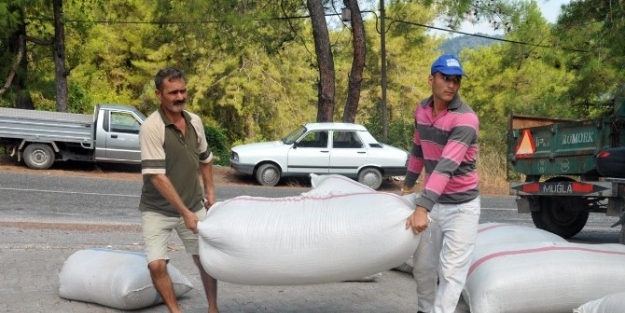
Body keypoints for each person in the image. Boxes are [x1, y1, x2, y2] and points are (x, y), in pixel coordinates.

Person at [403, 54, 480, 313]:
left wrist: (422, 207)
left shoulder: (466, 119)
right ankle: (425, 310)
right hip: (433, 203)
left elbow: (446, 166)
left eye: (456, 80)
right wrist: (407, 185)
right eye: (445, 78)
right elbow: (418, 149)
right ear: (431, 79)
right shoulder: (421, 110)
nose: (451, 85)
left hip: (462, 207)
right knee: (423, 268)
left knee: (451, 273)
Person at [139, 67, 219, 313]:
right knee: (156, 265)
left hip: (194, 206)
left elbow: (205, 159)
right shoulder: (151, 128)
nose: (179, 97)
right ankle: (175, 311)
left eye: (183, 90)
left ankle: (213, 308)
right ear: (158, 94)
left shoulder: (195, 121)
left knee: (207, 261)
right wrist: (184, 212)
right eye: (173, 92)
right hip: (158, 210)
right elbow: (157, 177)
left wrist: (210, 193)